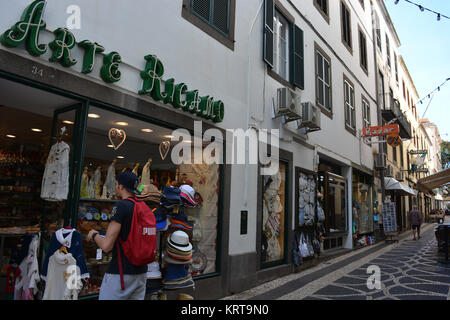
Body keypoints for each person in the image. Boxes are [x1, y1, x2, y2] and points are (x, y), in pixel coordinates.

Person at [88, 171, 147, 300]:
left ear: (121, 186)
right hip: (141, 273)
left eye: (116, 184)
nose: (115, 187)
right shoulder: (142, 206)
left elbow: (107, 246)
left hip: (120, 274)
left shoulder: (121, 206)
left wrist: (94, 235)